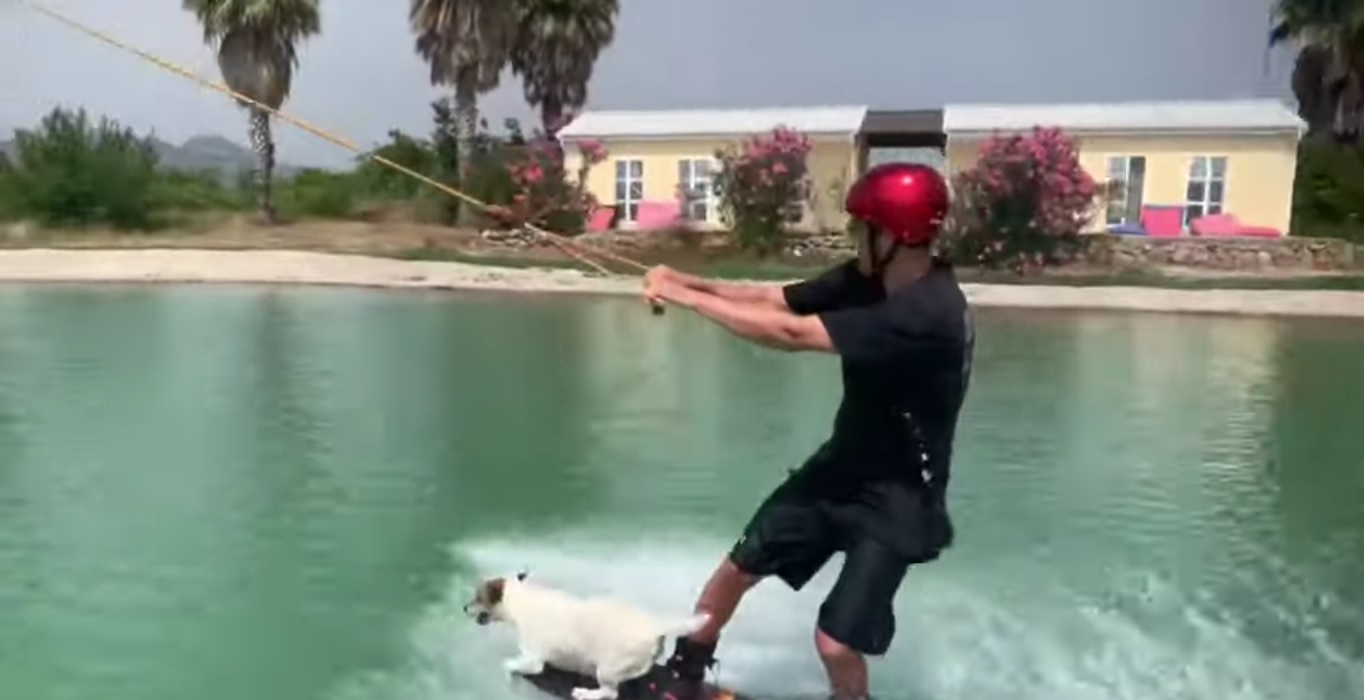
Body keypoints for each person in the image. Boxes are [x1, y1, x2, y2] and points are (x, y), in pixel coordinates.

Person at [638, 162, 975, 700]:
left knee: (835, 642)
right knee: (735, 570)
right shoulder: (868, 280)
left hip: (900, 498)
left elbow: (790, 333)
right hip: (840, 470)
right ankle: (684, 674)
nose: (851, 236)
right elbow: (779, 300)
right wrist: (684, 280)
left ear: (892, 234)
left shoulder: (928, 313)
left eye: (859, 226)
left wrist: (686, 300)